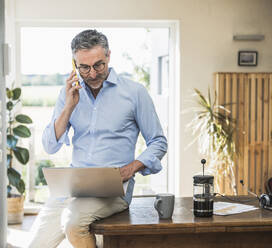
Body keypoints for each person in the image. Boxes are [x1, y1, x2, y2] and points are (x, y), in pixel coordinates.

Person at [28, 29, 167, 248]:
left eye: (99, 65)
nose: (92, 74)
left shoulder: (134, 92)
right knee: (34, 244)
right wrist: (69, 107)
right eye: (84, 67)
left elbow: (159, 142)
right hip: (74, 187)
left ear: (109, 56)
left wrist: (132, 168)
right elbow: (49, 145)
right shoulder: (69, 95)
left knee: (72, 223)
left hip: (114, 189)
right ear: (74, 64)